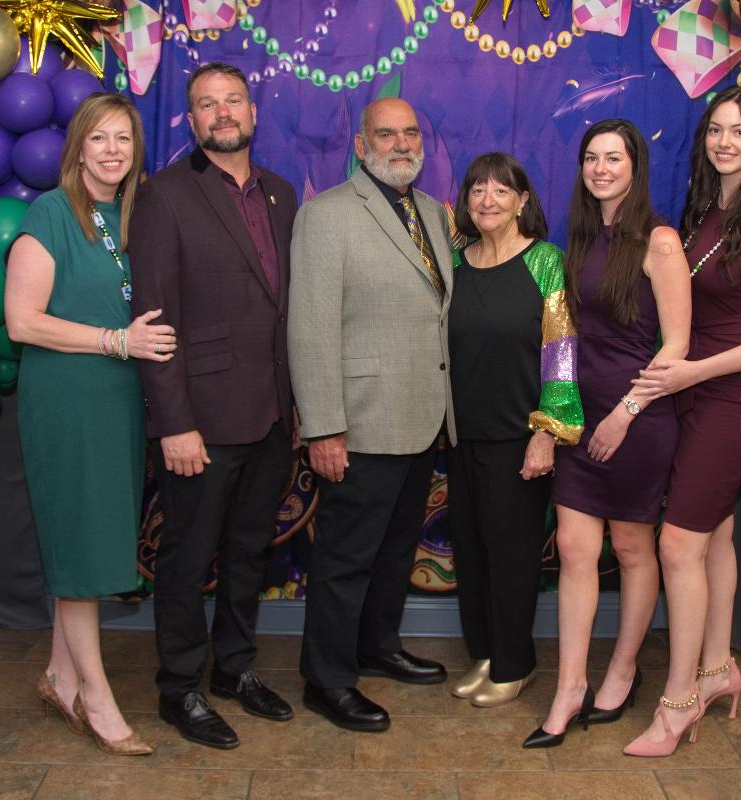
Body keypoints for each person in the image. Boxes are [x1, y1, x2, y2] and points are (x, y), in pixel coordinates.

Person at [625, 86, 741, 756]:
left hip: (738, 401)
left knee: (678, 545)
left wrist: (693, 373)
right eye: (716, 131)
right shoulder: (709, 210)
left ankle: (677, 705)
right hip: (695, 393)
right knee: (715, 537)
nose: (726, 143)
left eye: (740, 132)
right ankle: (717, 668)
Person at [127, 62, 297, 750]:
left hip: (272, 413)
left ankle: (234, 669)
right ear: (192, 122)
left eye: (233, 100)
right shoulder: (165, 196)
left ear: (253, 111)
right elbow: (154, 317)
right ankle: (178, 688)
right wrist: (174, 423)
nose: (223, 113)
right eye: (207, 105)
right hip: (199, 418)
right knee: (188, 555)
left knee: (249, 551)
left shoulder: (282, 193)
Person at [5, 92, 174, 756]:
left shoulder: (130, 215)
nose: (112, 151)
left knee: (93, 539)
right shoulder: (49, 213)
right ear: (77, 146)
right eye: (99, 138)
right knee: (80, 550)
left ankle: (58, 674)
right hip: (68, 401)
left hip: (118, 402)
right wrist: (115, 342)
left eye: (124, 140)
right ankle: (97, 701)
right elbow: (23, 321)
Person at [523, 120, 691, 748]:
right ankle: (570, 686)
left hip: (636, 420)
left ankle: (623, 668)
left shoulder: (660, 241)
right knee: (572, 547)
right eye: (591, 157)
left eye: (612, 158)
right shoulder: (579, 239)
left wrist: (624, 414)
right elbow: (562, 340)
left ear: (635, 165)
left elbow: (677, 345)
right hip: (579, 419)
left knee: (630, 549)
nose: (600, 168)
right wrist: (559, 416)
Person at [288, 97, 455, 732]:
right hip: (359, 421)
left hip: (422, 416)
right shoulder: (327, 216)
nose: (401, 143)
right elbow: (309, 329)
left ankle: (376, 646)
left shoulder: (434, 215)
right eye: (386, 134)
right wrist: (325, 426)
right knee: (345, 557)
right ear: (361, 147)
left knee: (393, 551)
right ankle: (327, 680)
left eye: (411, 131)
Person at [446, 152, 583, 709]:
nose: (488, 200)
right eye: (477, 190)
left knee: (510, 553)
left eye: (501, 190)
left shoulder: (546, 262)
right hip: (459, 435)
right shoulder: (454, 262)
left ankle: (515, 663)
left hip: (518, 437)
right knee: (472, 551)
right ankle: (485, 652)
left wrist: (547, 431)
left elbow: (562, 354)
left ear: (523, 201)